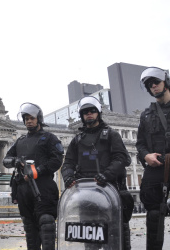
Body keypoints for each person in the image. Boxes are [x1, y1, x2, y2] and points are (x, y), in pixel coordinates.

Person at [61, 96, 133, 249]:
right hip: (86, 196)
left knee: (114, 239)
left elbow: (122, 159)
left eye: (92, 111)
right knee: (90, 241)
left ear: (98, 113)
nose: (89, 114)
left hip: (110, 191)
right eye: (85, 112)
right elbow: (68, 163)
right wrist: (68, 176)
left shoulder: (111, 135)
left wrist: (107, 175)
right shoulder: (77, 139)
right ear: (81, 115)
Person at [2, 103, 63, 250]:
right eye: (26, 119)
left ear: (39, 119)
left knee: (46, 223)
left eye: (32, 118)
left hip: (43, 187)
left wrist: (39, 170)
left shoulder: (49, 138)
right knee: (30, 228)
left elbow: (57, 159)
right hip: (24, 188)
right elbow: (6, 160)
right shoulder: (20, 141)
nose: (29, 121)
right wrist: (16, 161)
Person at [136, 66, 170, 249]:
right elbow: (140, 144)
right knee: (154, 215)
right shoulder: (146, 114)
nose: (153, 87)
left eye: (155, 82)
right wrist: (146, 156)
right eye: (149, 85)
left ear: (165, 82)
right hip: (156, 168)